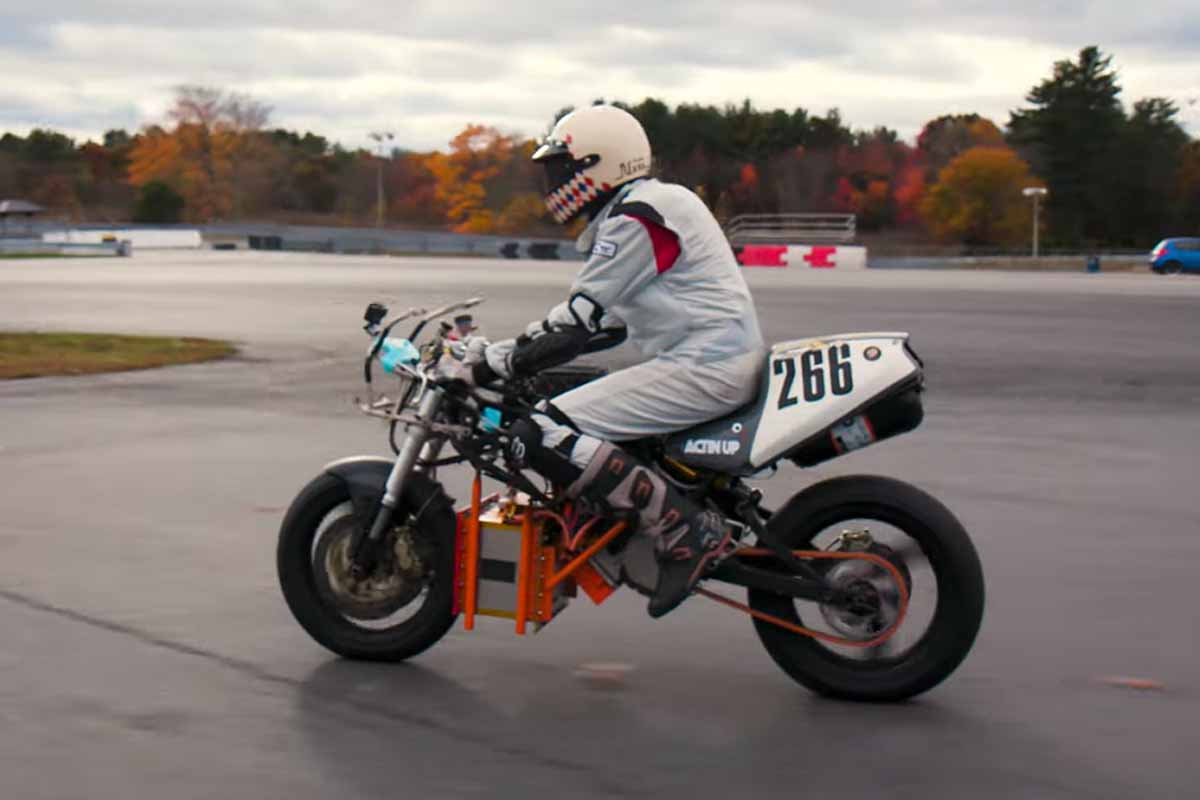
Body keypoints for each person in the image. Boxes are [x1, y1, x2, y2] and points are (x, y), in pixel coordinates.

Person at [446, 105, 765, 618]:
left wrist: (487, 367)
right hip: (711, 361)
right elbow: (602, 327)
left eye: (562, 169)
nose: (553, 183)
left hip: (706, 367)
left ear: (600, 164)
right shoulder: (651, 208)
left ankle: (684, 529)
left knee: (544, 432)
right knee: (562, 404)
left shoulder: (638, 218)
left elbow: (575, 326)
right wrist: (510, 356)